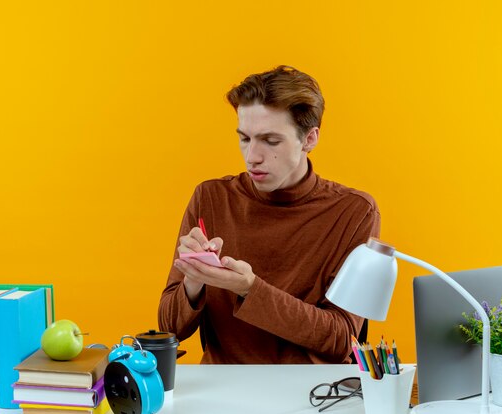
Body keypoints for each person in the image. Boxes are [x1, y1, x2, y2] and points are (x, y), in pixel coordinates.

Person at [158, 65, 380, 364]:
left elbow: (341, 340)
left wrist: (249, 290)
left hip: (313, 395)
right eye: (245, 139)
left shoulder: (353, 212)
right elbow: (169, 328)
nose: (252, 157)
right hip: (222, 389)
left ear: (310, 139)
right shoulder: (211, 197)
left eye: (271, 141)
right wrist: (194, 281)